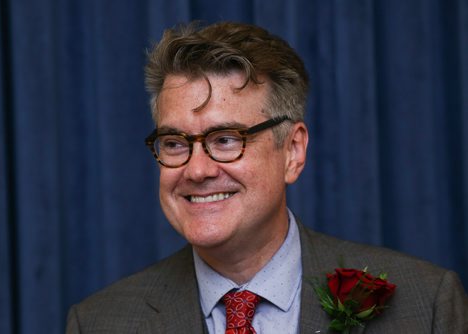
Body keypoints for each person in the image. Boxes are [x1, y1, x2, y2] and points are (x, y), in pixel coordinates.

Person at [66, 21, 468, 333]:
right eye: (174, 143)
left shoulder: (426, 304)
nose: (197, 170)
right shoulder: (100, 323)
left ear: (292, 152)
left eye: (226, 139)